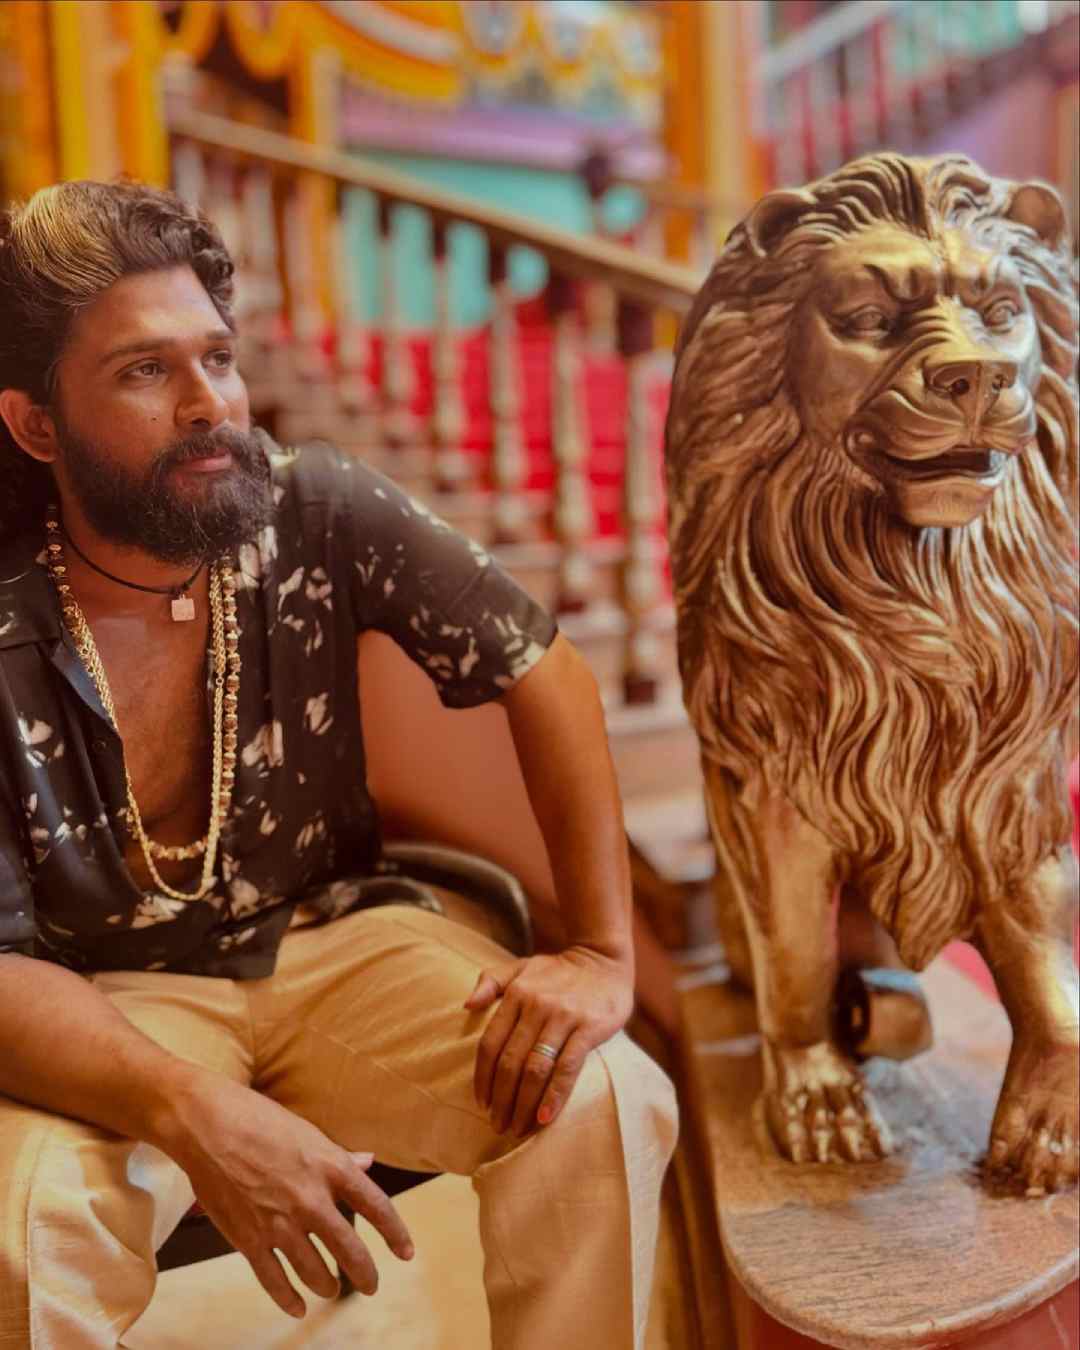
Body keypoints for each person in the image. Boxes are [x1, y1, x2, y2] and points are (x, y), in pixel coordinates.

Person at [0, 180, 678, 1349]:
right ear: (36, 426)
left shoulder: (311, 506)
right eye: (145, 371)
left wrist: (601, 954)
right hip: (98, 997)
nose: (210, 401)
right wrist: (188, 1106)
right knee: (29, 1231)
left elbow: (545, 667)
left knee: (604, 1096)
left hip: (335, 936)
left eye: (217, 355)